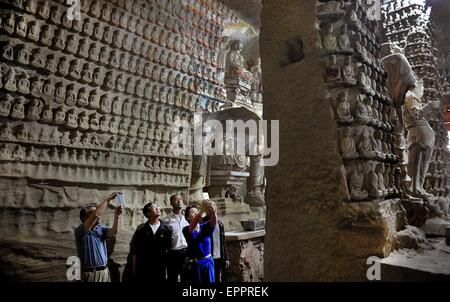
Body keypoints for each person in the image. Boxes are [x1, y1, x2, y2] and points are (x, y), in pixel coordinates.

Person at [74, 192, 122, 282]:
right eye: (92, 214)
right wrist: (108, 199)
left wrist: (116, 217)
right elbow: (97, 215)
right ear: (84, 218)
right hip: (91, 274)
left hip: (104, 271)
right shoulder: (80, 231)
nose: (99, 216)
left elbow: (113, 232)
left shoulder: (100, 228)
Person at [130, 202, 172, 282]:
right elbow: (135, 251)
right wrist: (134, 269)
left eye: (158, 207)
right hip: (145, 267)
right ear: (148, 213)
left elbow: (168, 250)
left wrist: (167, 269)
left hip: (161, 267)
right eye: (154, 207)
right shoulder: (141, 230)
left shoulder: (167, 229)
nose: (158, 208)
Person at [183, 200, 217, 283]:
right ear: (187, 217)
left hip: (208, 262)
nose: (196, 213)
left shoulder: (204, 226)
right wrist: (202, 210)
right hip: (196, 264)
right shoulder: (186, 229)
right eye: (193, 212)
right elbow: (192, 227)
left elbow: (213, 222)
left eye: (197, 211)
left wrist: (214, 212)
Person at [162, 194, 189, 282]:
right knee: (172, 278)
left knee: (186, 278)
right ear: (171, 203)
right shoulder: (166, 220)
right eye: (176, 200)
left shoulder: (187, 218)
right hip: (173, 253)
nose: (179, 201)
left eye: (180, 199)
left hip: (186, 252)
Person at [202, 201, 229, 282]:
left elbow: (223, 241)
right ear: (206, 210)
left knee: (219, 278)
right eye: (210, 206)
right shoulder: (203, 223)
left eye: (214, 205)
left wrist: (226, 258)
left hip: (220, 257)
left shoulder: (220, 223)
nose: (213, 208)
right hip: (209, 258)